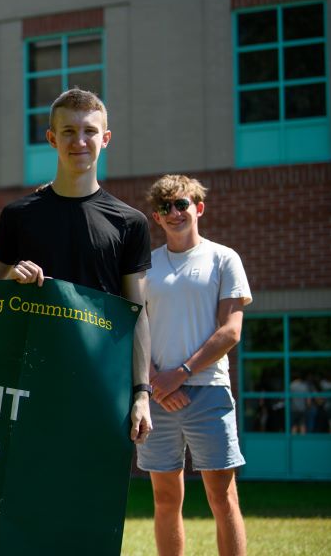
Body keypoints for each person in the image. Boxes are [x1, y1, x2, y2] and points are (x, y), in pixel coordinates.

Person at [0, 88, 153, 443]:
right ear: (51, 139)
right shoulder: (18, 216)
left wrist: (141, 394)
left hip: (100, 383)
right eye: (69, 132)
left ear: (105, 139)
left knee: (90, 496)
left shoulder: (130, 222)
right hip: (29, 382)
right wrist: (13, 277)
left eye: (89, 131)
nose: (80, 141)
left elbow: (137, 314)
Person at [138, 174, 250, 556]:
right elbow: (135, 329)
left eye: (181, 204)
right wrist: (155, 381)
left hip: (209, 392)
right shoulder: (146, 268)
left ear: (198, 208)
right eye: (165, 207)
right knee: (165, 499)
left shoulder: (224, 258)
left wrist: (180, 373)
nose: (174, 213)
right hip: (156, 398)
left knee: (223, 498)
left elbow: (231, 331)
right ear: (156, 217)